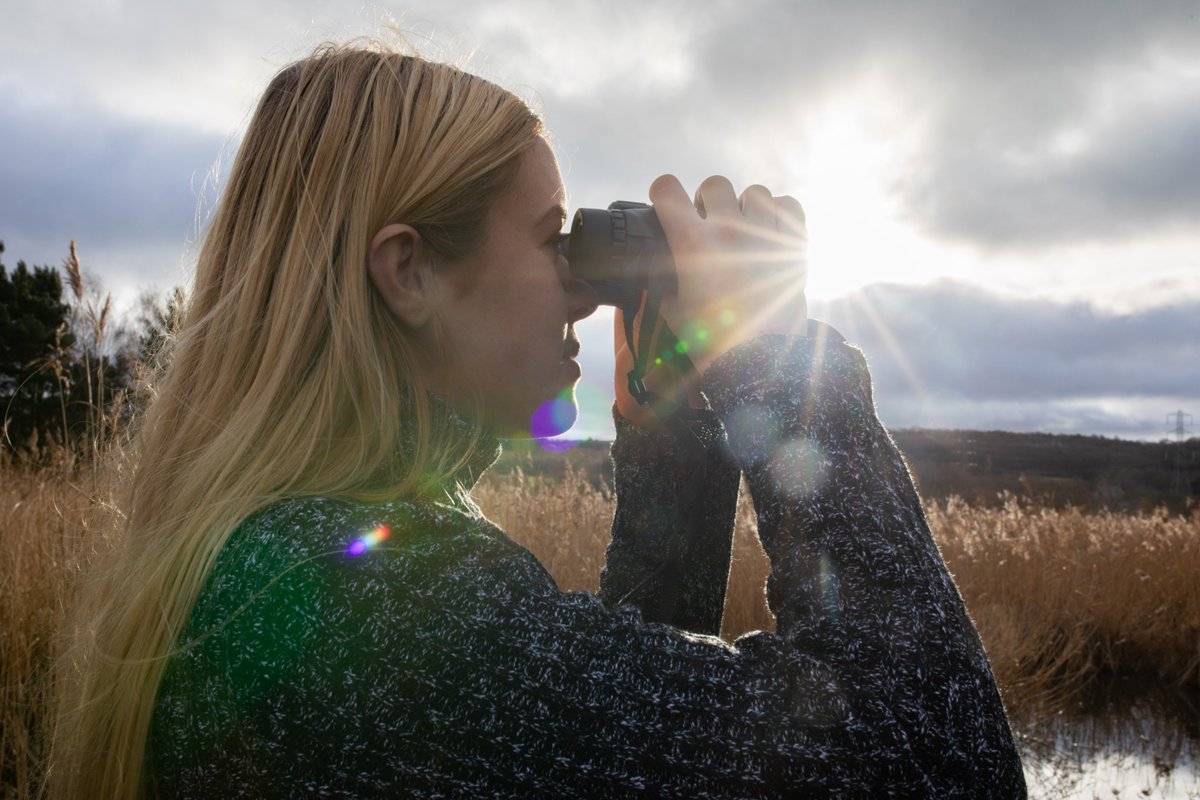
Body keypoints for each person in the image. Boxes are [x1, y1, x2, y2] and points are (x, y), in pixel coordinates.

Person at [47, 42, 1026, 798]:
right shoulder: (384, 607)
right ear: (409, 270)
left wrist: (672, 439)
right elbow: (944, 764)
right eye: (552, 236)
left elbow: (610, 738)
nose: (582, 287)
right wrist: (783, 358)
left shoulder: (288, 549)